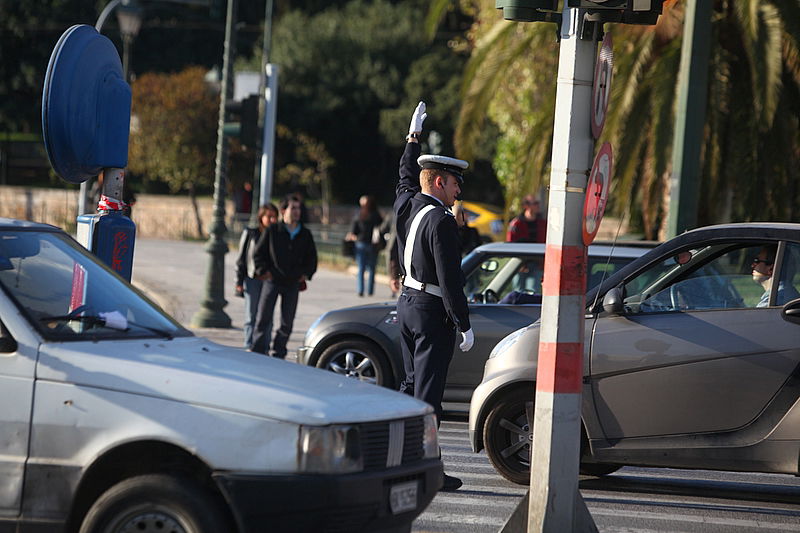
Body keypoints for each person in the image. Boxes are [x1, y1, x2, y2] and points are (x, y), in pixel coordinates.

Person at [394, 102, 473, 492]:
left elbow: (406, 177)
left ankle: (398, 460)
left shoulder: (408, 206)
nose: (459, 191)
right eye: (456, 183)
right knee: (427, 401)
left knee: (410, 391)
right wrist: (464, 323)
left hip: (407, 305)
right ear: (439, 182)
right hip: (430, 312)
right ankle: (427, 471)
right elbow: (451, 278)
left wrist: (413, 140)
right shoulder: (440, 220)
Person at [250, 194, 318, 357]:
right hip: (272, 281)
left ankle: (279, 351)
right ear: (283, 211)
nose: (297, 212)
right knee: (263, 319)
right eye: (293, 208)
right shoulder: (273, 231)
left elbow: (312, 258)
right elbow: (258, 254)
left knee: (287, 322)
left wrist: (305, 274)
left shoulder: (305, 234)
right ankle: (258, 350)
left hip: (292, 283)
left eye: (298, 208)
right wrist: (264, 272)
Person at [234, 203, 279, 348]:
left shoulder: (277, 234)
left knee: (267, 317)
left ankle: (264, 347)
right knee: (251, 316)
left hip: (269, 280)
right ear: (261, 217)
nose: (272, 220)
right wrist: (239, 281)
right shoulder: (251, 233)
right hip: (252, 279)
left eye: (274, 217)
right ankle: (249, 346)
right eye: (269, 216)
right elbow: (242, 258)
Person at [345, 195, 384, 296]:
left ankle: (360, 290)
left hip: (360, 244)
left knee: (361, 268)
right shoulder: (376, 215)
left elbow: (353, 231)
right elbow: (382, 228)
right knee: (371, 269)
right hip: (372, 244)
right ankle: (370, 291)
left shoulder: (359, 215)